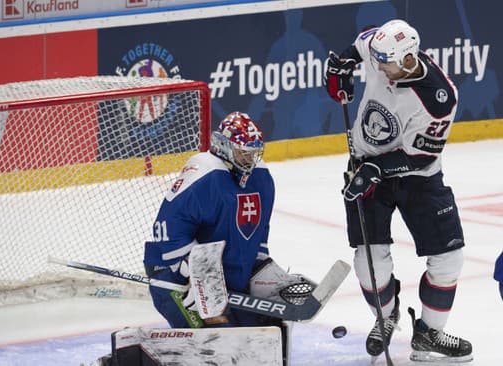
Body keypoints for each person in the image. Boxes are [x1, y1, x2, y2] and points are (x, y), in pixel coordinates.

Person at [325, 19, 473, 363]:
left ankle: (429, 334)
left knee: (449, 258)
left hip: (418, 175)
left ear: (408, 59)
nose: (377, 67)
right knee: (367, 263)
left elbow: (420, 156)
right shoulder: (384, 52)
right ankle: (387, 316)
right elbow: (362, 43)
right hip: (365, 165)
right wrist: (343, 63)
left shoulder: (438, 98)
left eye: (385, 62)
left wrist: (377, 169)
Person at [142, 111, 303, 364]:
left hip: (227, 285)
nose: (249, 158)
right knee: (222, 350)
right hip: (177, 281)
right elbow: (167, 231)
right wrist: (195, 274)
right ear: (223, 147)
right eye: (242, 152)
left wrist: (262, 269)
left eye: (253, 152)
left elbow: (258, 234)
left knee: (258, 339)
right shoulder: (203, 174)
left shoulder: (261, 178)